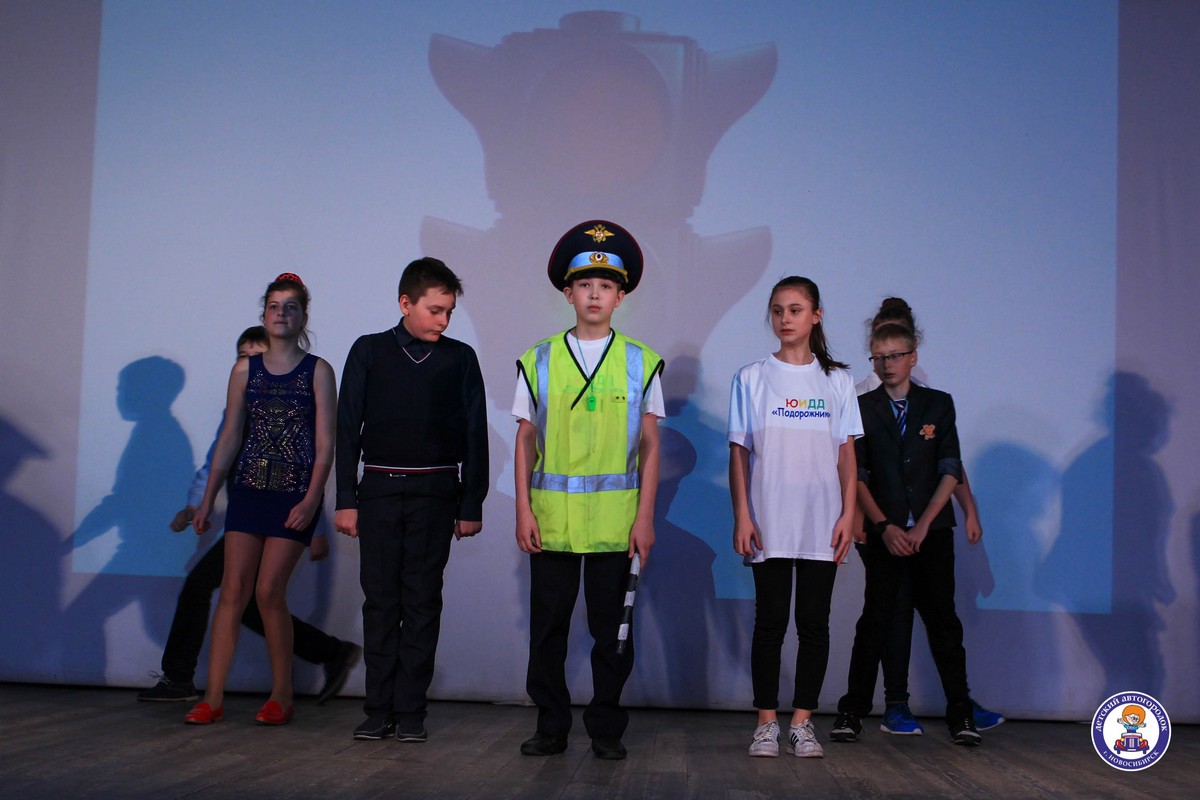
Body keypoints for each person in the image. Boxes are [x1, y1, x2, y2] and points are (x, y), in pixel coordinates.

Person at [138, 325, 360, 705]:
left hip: (282, 514)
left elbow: (310, 464)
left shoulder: (299, 400)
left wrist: (317, 528)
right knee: (247, 601)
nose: (250, 363)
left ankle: (182, 678)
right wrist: (197, 504)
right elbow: (216, 460)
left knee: (241, 595)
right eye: (243, 356)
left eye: (255, 355)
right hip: (248, 513)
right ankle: (330, 652)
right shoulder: (238, 407)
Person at [513, 220, 663, 761]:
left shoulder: (641, 361)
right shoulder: (539, 358)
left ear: (621, 297)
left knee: (612, 632)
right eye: (584, 284)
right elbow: (525, 440)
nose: (594, 294)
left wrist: (644, 518)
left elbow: (651, 445)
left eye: (605, 285)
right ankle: (550, 726)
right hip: (551, 521)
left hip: (616, 524)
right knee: (547, 631)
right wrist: (523, 511)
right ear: (567, 292)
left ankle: (606, 727)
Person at [334, 258, 488, 744]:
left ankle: (411, 712)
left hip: (436, 494)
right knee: (381, 602)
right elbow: (347, 426)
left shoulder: (460, 358)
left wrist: (471, 503)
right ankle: (378, 709)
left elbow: (475, 431)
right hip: (379, 491)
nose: (443, 321)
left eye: (449, 312)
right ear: (406, 303)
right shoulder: (370, 351)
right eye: (435, 310)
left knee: (422, 602)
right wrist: (345, 497)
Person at [185, 273, 337, 725]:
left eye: (290, 307)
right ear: (264, 314)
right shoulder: (243, 371)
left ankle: (282, 695)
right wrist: (208, 498)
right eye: (274, 306)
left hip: (293, 495)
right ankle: (212, 698)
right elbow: (230, 436)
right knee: (232, 590)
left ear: (303, 316)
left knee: (269, 591)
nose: (281, 313)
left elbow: (326, 444)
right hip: (249, 491)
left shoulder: (319, 371)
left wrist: (311, 500)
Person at [851, 298, 1003, 736]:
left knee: (938, 615)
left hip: (926, 524)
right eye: (881, 351)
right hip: (882, 522)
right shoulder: (860, 396)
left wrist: (968, 507)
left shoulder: (929, 397)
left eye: (897, 350)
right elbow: (853, 468)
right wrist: (866, 521)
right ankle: (894, 703)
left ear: (912, 349)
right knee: (891, 613)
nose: (888, 360)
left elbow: (946, 460)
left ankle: (959, 704)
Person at [727, 276, 862, 759]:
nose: (786, 319)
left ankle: (803, 723)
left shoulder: (838, 380)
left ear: (815, 316)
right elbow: (739, 452)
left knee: (814, 624)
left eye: (796, 310)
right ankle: (766, 724)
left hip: (822, 521)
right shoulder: (751, 377)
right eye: (778, 310)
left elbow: (847, 456)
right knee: (769, 623)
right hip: (769, 520)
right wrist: (743, 515)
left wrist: (848, 513)